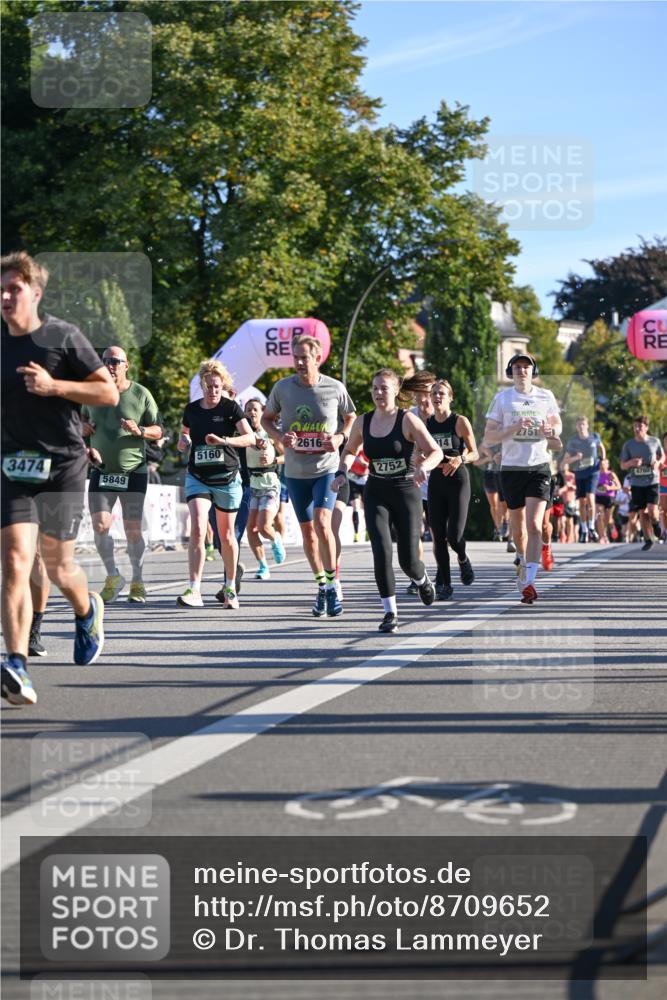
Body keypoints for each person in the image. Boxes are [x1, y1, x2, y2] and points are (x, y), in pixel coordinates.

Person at [1, 251, 118, 705]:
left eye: (13, 289)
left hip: (63, 466)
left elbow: (107, 391)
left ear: (35, 292)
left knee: (57, 566)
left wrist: (55, 387)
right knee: (14, 560)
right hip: (12, 466)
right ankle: (15, 662)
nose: (6, 298)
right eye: (0, 291)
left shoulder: (63, 336)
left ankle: (87, 608)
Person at [333, 369, 442, 633]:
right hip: (376, 490)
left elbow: (435, 451)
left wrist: (424, 466)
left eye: (384, 388)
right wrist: (341, 471)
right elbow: (349, 449)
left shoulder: (407, 420)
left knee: (408, 560)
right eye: (375, 388)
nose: (378, 393)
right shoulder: (363, 421)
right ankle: (389, 612)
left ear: (395, 390)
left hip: (405, 490)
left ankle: (422, 579)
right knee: (381, 552)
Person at [262, 334, 356, 618]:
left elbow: (351, 417)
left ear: (318, 358)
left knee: (322, 523)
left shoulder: (334, 388)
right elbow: (266, 418)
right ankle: (321, 586)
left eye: (305, 357)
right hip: (295, 471)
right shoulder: (282, 388)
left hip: (325, 469)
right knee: (307, 534)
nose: (300, 363)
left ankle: (333, 583)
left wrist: (340, 437)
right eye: (297, 357)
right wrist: (280, 437)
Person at [82, 345, 163, 604]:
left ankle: (137, 580)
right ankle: (113, 576)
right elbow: (79, 423)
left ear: (126, 365)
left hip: (133, 471)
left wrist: (139, 430)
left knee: (132, 531)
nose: (110, 365)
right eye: (106, 360)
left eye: (116, 361)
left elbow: (159, 430)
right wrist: (82, 428)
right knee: (100, 526)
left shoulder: (140, 394)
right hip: (101, 471)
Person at [484, 353, 561, 605]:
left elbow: (557, 425)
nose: (521, 371)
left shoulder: (545, 396)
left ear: (533, 371)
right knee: (518, 531)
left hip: (538, 467)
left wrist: (551, 431)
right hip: (511, 469)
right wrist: (514, 428)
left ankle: (529, 582)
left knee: (535, 526)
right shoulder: (502, 398)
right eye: (517, 367)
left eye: (526, 367)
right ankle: (521, 555)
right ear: (511, 371)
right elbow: (490, 437)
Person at [177, 360, 254, 607]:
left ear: (223, 386)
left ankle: (230, 587)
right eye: (209, 386)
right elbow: (185, 432)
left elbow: (250, 437)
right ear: (202, 385)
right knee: (198, 528)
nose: (213, 390)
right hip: (197, 476)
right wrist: (183, 442)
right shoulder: (191, 409)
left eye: (217, 386)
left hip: (228, 478)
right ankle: (194, 589)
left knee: (227, 536)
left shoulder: (231, 408)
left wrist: (224, 441)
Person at [426, 379, 479, 599]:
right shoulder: (426, 424)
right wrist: (430, 462)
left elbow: (476, 453)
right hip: (437, 482)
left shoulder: (459, 422)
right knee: (438, 536)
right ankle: (445, 584)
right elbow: (420, 453)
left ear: (450, 397)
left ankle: (463, 558)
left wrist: (461, 458)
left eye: (442, 393)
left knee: (454, 536)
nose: (437, 397)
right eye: (434, 393)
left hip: (458, 482)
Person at [243, 398, 286, 579]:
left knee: (263, 527)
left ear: (262, 412)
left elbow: (288, 455)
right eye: (248, 410)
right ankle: (263, 567)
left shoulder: (271, 433)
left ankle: (276, 540)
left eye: (255, 409)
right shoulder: (243, 433)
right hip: (253, 485)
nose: (251, 413)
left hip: (270, 485)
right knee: (251, 529)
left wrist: (273, 460)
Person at [620, 415, 664, 551]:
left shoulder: (654, 441)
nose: (637, 429)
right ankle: (648, 539)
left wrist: (658, 462)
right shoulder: (628, 445)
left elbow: (662, 456)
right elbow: (622, 465)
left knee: (652, 510)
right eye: (635, 427)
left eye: (640, 426)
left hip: (652, 481)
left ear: (646, 428)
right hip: (637, 483)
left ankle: (656, 524)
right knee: (642, 512)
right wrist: (631, 463)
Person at [562, 416, 605, 542]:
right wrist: (575, 458)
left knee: (590, 498)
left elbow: (601, 448)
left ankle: (592, 527)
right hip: (580, 473)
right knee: (581, 502)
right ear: (576, 427)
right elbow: (566, 460)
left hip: (593, 472)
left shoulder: (595, 437)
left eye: (583, 424)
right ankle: (584, 530)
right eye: (579, 425)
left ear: (587, 426)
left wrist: (602, 460)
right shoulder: (573, 442)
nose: (581, 427)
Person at [594, 459, 622, 543]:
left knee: (608, 519)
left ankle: (612, 527)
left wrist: (609, 488)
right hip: (599, 497)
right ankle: (602, 536)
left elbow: (619, 486)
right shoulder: (596, 474)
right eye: (600, 464)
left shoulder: (611, 474)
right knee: (599, 515)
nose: (602, 465)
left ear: (607, 465)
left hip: (609, 498)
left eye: (604, 464)